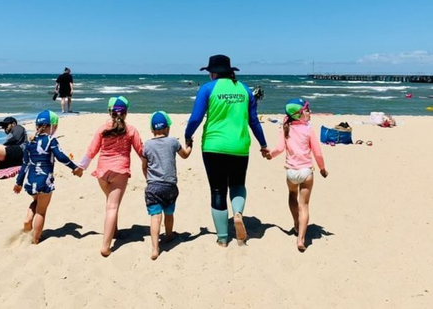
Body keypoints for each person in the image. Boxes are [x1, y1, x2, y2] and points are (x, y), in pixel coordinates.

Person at [184, 54, 269, 247]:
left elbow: (196, 118)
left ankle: (222, 237)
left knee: (217, 190)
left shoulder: (207, 89)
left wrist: (188, 135)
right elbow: (254, 121)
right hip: (240, 147)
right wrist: (263, 144)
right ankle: (237, 213)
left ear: (213, 73)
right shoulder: (245, 90)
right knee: (238, 184)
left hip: (213, 146)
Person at [78, 96, 143, 257]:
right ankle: (105, 246)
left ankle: (114, 231)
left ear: (109, 112)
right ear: (126, 113)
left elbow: (91, 150)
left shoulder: (102, 129)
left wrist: (81, 167)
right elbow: (141, 151)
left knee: (110, 203)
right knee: (112, 207)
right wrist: (150, 167)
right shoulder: (131, 130)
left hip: (102, 172)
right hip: (119, 172)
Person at [265, 98, 329, 252]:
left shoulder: (285, 128)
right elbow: (317, 152)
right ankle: (301, 239)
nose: (310, 112)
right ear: (299, 114)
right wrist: (322, 168)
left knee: (292, 196)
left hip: (291, 172)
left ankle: (295, 223)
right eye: (307, 110)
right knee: (304, 205)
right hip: (306, 172)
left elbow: (279, 148)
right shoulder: (308, 129)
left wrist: (270, 155)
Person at [13, 110, 83, 244]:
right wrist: (75, 168)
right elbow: (61, 157)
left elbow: (25, 165)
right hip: (44, 181)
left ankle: (28, 220)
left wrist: (19, 183)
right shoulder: (51, 140)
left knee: (35, 202)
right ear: (51, 126)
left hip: (31, 181)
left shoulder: (30, 143)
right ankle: (35, 239)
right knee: (41, 211)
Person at [141, 111, 192, 260]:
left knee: (155, 216)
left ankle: (155, 248)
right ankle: (169, 236)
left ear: (152, 129)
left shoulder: (147, 145)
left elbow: (144, 166)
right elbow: (185, 154)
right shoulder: (173, 142)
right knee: (169, 214)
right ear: (167, 128)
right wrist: (190, 145)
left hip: (153, 186)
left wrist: (149, 179)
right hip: (170, 186)